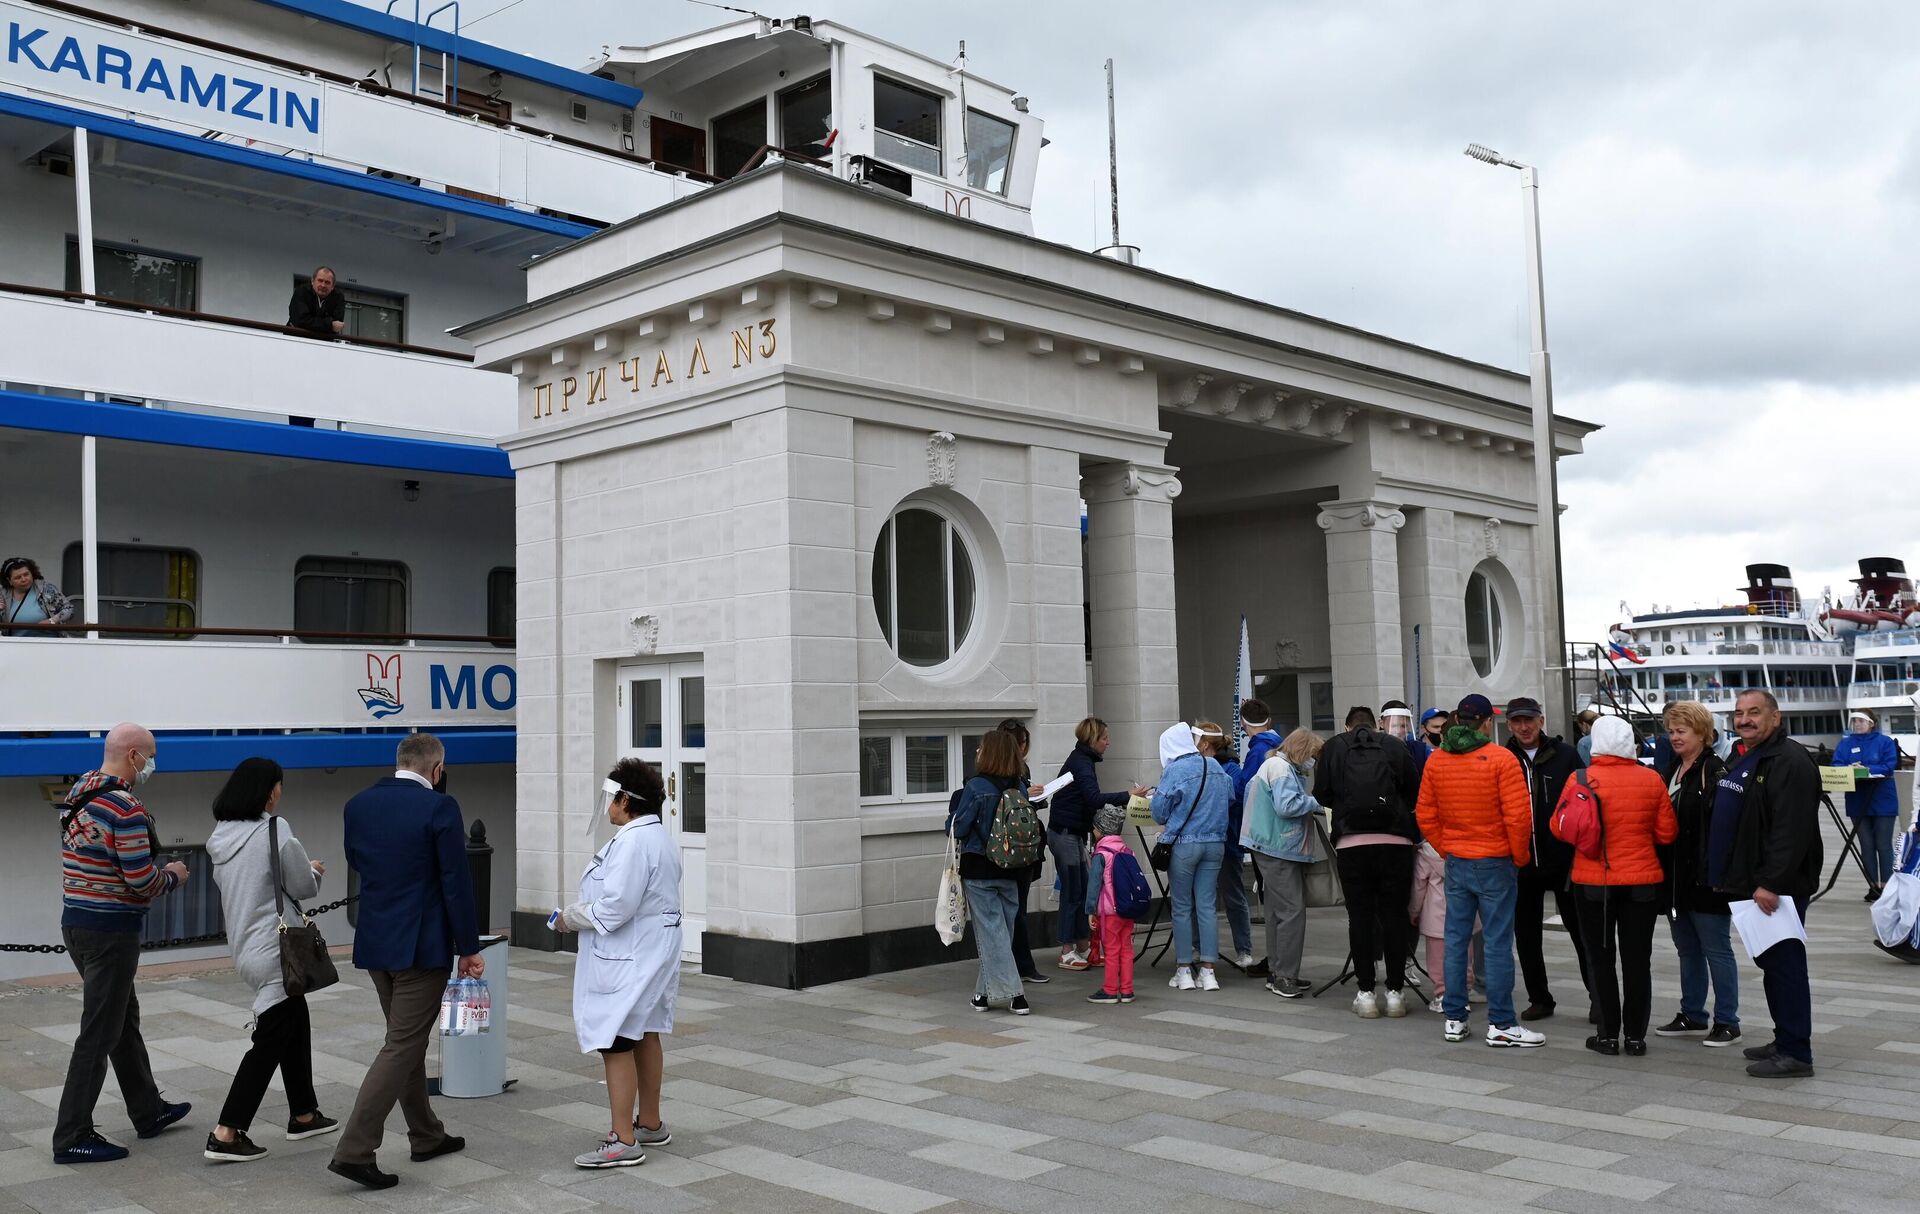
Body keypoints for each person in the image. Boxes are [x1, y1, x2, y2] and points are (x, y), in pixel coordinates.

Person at [328, 733, 483, 1190]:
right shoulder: (440, 807)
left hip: (376, 941)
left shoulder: (357, 805)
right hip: (421, 945)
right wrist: (469, 947)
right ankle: (354, 1150)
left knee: (405, 1040)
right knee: (401, 1046)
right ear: (436, 770)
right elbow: (456, 880)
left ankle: (426, 1134)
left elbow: (356, 860)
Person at [51, 723, 193, 1165]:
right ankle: (72, 1135)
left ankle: (148, 1110)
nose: (153, 764)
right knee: (99, 1032)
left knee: (120, 1019)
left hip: (76, 922)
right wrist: (174, 875)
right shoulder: (125, 808)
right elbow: (140, 881)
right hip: (111, 931)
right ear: (133, 755)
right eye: (150, 756)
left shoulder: (79, 792)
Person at [203, 758, 338, 1162]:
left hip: (247, 947)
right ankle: (227, 1132)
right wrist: (313, 870)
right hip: (277, 950)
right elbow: (300, 885)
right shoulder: (275, 830)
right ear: (270, 791)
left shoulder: (221, 836)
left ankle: (305, 1113)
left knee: (294, 1021)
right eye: (279, 785)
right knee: (269, 1041)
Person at [554, 759, 682, 1169]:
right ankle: (650, 1122)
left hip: (631, 955)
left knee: (616, 1039)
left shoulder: (631, 842)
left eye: (612, 799)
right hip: (651, 950)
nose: (608, 807)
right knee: (644, 1031)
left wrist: (568, 918)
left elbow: (616, 908)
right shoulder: (658, 837)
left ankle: (623, 1139)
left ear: (627, 800)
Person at [1415, 694, 1545, 1047]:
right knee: (1497, 943)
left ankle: (1455, 1018)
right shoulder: (1502, 759)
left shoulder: (1438, 760)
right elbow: (1519, 818)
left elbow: (1426, 814)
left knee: (1456, 940)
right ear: (1487, 722)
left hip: (1457, 859)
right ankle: (1502, 1022)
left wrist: (1448, 847)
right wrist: (1517, 857)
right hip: (1495, 860)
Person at [1711, 690, 1822, 1079]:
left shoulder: (1789, 760)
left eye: (1754, 712)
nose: (1745, 719)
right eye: (1739, 713)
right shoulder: (1752, 755)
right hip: (1755, 882)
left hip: (1778, 887)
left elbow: (1791, 830)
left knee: (1786, 966)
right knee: (1772, 965)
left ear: (1775, 717)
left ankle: (1796, 1053)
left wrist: (1770, 882)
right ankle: (1785, 1038)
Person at [1551, 716, 1678, 1057]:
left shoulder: (1579, 778)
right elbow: (1667, 834)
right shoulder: (1651, 779)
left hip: (1593, 883)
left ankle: (1607, 1036)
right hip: (1642, 884)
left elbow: (1559, 828)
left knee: (1600, 959)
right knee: (1638, 961)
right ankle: (1636, 1037)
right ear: (1629, 743)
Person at [1313, 706, 1422, 1019]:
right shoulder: (1395, 746)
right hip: (1396, 842)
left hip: (1352, 843)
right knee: (1394, 916)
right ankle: (1396, 993)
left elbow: (1322, 794)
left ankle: (1365, 994)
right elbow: (1414, 791)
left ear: (1347, 726)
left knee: (1359, 917)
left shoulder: (1333, 747)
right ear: (1376, 724)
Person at [1653, 700, 1740, 1047]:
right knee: (1687, 948)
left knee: (1716, 949)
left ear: (1702, 733)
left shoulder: (1714, 770)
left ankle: (1728, 1020)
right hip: (1676, 877)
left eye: (1681, 731)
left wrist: (1718, 874)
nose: (1674, 737)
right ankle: (1692, 1013)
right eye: (1671, 731)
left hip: (1705, 878)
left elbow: (1723, 827)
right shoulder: (1674, 768)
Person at [1502, 697, 1592, 1023]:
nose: (1523, 727)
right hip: (1521, 861)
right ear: (1509, 724)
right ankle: (1539, 998)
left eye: (1529, 720)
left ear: (1541, 720)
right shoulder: (1503, 758)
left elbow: (1583, 802)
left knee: (1581, 932)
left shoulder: (1566, 755)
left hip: (1564, 860)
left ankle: (1597, 996)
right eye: (1516, 722)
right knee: (1526, 936)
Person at [1046, 718, 1148, 970]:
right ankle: (1067, 950)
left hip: (1072, 833)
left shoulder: (1082, 760)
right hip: (1066, 834)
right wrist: (1128, 796)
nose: (1108, 742)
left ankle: (1082, 945)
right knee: (1073, 891)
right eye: (1104, 738)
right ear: (1093, 740)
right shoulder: (1082, 763)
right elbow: (1093, 799)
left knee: (1081, 890)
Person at [948, 729, 1032, 1015]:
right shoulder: (1019, 787)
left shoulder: (976, 787)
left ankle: (1016, 995)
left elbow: (958, 828)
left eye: (981, 747)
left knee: (992, 933)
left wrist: (951, 815)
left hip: (980, 869)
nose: (977, 751)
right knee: (1001, 932)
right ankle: (982, 995)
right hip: (1013, 868)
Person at [1242, 727, 1324, 998]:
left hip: (1269, 845)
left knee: (1277, 913)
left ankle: (1277, 972)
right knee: (1292, 911)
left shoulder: (1275, 764)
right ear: (1302, 750)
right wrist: (1315, 802)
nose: (1313, 760)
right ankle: (1285, 976)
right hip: (1278, 846)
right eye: (1312, 753)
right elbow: (1287, 806)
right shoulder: (1281, 768)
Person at [1151, 722, 1230, 992]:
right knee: (1207, 907)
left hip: (1184, 845)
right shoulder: (1215, 766)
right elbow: (1229, 797)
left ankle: (1184, 970)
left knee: (1182, 907)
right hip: (1215, 843)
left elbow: (1159, 813)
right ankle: (1209, 972)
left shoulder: (1174, 770)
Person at [1222, 701, 1283, 972]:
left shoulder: (1258, 750)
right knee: (1277, 899)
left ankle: (1276, 963)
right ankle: (1278, 960)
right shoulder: (1281, 745)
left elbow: (1246, 790)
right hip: (1279, 830)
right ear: (1269, 720)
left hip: (1262, 831)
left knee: (1271, 901)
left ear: (1244, 725)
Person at [1195, 719, 1254, 971]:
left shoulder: (1229, 770)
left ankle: (1243, 948)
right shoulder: (1219, 767)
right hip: (1217, 840)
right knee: (1212, 897)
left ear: (1207, 743)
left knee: (1233, 896)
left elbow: (1233, 802)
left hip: (1226, 841)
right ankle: (1203, 947)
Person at [996, 719, 1051, 987]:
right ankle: (1018, 965)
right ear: (1021, 744)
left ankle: (1019, 965)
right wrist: (1025, 796)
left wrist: (1035, 799)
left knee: (1016, 909)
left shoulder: (1015, 770)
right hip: (1014, 851)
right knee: (1015, 910)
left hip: (1019, 848)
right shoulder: (1003, 774)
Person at [1833, 710, 1900, 902]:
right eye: (1855, 721)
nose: (1858, 724)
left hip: (1882, 800)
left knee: (1883, 844)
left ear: (1871, 723)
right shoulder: (1845, 743)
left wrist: (1867, 769)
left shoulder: (1884, 742)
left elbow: (1889, 765)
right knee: (1866, 845)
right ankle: (1872, 885)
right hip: (1857, 800)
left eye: (1862, 721)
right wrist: (1848, 769)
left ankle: (1887, 885)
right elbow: (1836, 764)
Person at [1083, 803, 1139, 1004]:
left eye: (1096, 827)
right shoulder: (1127, 850)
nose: (1093, 830)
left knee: (1112, 950)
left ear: (1102, 830)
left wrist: (1091, 910)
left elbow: (1094, 884)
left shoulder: (1101, 854)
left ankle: (1109, 990)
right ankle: (1127, 990)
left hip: (1109, 912)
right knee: (1126, 949)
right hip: (1127, 909)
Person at [3, 555, 75, 636]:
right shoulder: (2, 595)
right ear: (9, 581)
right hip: (13, 645)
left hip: (48, 643)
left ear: (32, 574)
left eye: (26, 574)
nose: (23, 579)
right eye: (18, 577)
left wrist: (52, 621)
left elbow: (69, 609)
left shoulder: (46, 589)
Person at [288, 265, 347, 337]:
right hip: (295, 339)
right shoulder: (302, 292)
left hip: (324, 343)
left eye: (327, 282)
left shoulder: (338, 297)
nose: (323, 285)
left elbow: (337, 325)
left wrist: (311, 322)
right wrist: (329, 325)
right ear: (312, 281)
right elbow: (300, 320)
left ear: (332, 286)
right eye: (320, 280)